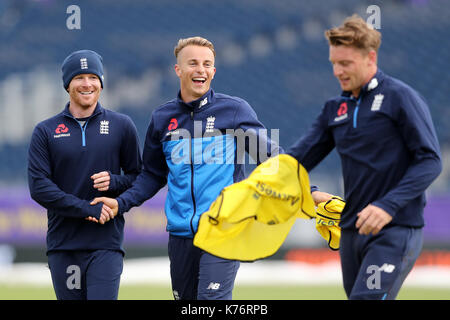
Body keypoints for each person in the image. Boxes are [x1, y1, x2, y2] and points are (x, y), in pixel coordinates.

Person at [90, 36, 284, 300]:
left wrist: (309, 189)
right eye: (192, 63)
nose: (200, 69)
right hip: (181, 236)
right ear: (178, 70)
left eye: (207, 64)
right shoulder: (162, 118)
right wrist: (120, 203)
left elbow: (272, 158)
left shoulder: (235, 111)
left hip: (223, 229)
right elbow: (152, 175)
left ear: (214, 71)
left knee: (210, 301)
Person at [287, 15, 442, 300]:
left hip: (395, 229)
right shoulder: (334, 108)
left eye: (345, 63)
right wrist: (309, 193)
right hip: (351, 232)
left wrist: (387, 206)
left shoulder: (400, 98)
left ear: (370, 57)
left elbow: (430, 160)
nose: (337, 71)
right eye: (334, 63)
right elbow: (294, 162)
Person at [28, 49, 142, 300]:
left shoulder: (122, 126)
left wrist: (116, 181)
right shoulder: (45, 131)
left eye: (93, 77)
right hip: (63, 245)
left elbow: (139, 178)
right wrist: (85, 208)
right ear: (68, 84)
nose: (87, 84)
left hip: (106, 244)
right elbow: (39, 187)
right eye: (79, 78)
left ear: (101, 83)